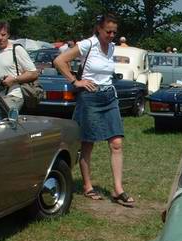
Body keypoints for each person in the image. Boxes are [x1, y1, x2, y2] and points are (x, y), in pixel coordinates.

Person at [53, 14, 135, 206]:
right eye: (108, 31)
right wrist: (76, 81)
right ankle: (88, 187)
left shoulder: (113, 47)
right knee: (88, 144)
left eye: (114, 32)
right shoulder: (87, 44)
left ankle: (117, 189)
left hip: (109, 97)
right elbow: (59, 61)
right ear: (99, 29)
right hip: (89, 98)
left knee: (116, 143)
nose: (111, 35)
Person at [0, 21, 39, 112]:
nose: (0, 38)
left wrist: (14, 80)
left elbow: (34, 73)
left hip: (14, 95)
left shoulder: (17, 50)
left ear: (8, 35)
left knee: (6, 121)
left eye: (3, 35)